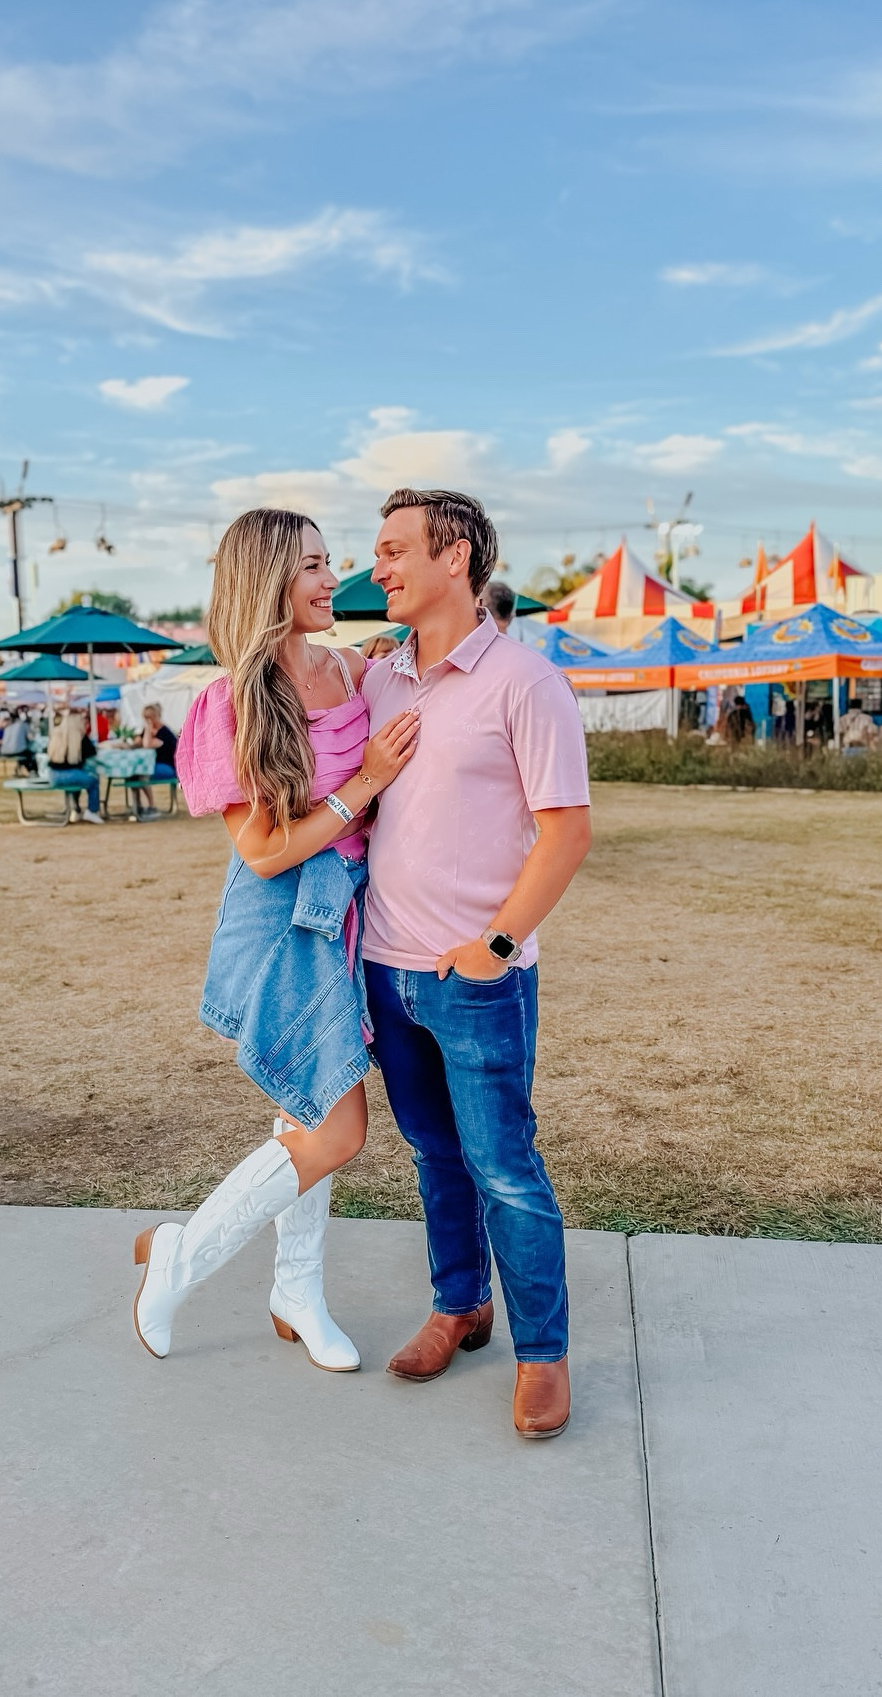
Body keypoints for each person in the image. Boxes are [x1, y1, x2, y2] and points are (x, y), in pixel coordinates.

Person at [131, 508, 420, 1370]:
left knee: (303, 1106)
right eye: (312, 568)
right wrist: (363, 785)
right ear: (268, 583)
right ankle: (183, 1255)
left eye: (332, 562)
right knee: (338, 1129)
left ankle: (297, 1289)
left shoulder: (352, 667)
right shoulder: (231, 700)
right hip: (282, 920)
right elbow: (260, 854)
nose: (334, 580)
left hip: (349, 912)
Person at [361, 488, 592, 1441]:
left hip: (477, 979)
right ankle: (460, 1305)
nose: (377, 568)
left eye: (394, 549)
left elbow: (567, 832)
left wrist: (495, 949)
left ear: (455, 557)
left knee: (504, 1166)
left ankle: (544, 1355)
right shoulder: (380, 677)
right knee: (432, 1155)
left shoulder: (525, 682)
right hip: (384, 964)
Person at [47, 706, 103, 824]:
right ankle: (92, 811)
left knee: (77, 779)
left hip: (53, 775)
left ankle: (75, 809)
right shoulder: (79, 737)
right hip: (70, 774)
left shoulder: (57, 733)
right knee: (93, 780)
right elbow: (92, 753)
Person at [133, 701, 178, 821]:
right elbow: (138, 742)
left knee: (143, 774)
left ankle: (151, 805)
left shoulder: (164, 732)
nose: (147, 720)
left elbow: (147, 744)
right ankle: (138, 805)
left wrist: (147, 730)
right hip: (154, 765)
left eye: (149, 717)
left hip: (168, 767)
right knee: (134, 774)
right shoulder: (149, 730)